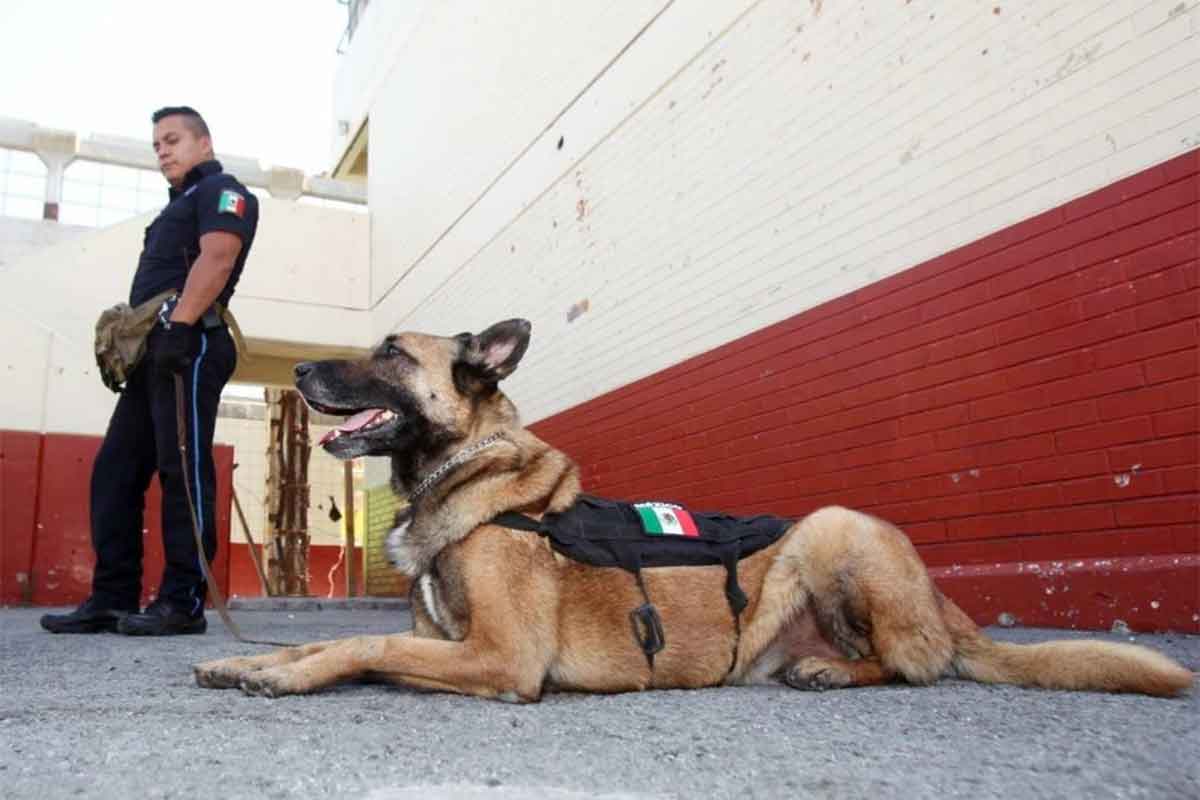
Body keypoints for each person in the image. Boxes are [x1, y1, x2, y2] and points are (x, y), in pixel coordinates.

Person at [40, 106, 259, 636]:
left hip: (190, 341)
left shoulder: (223, 191)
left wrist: (180, 329)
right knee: (115, 471)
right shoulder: (177, 205)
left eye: (173, 140)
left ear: (204, 143)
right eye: (157, 144)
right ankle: (113, 597)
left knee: (181, 470)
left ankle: (183, 602)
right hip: (152, 350)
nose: (162, 151)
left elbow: (218, 256)